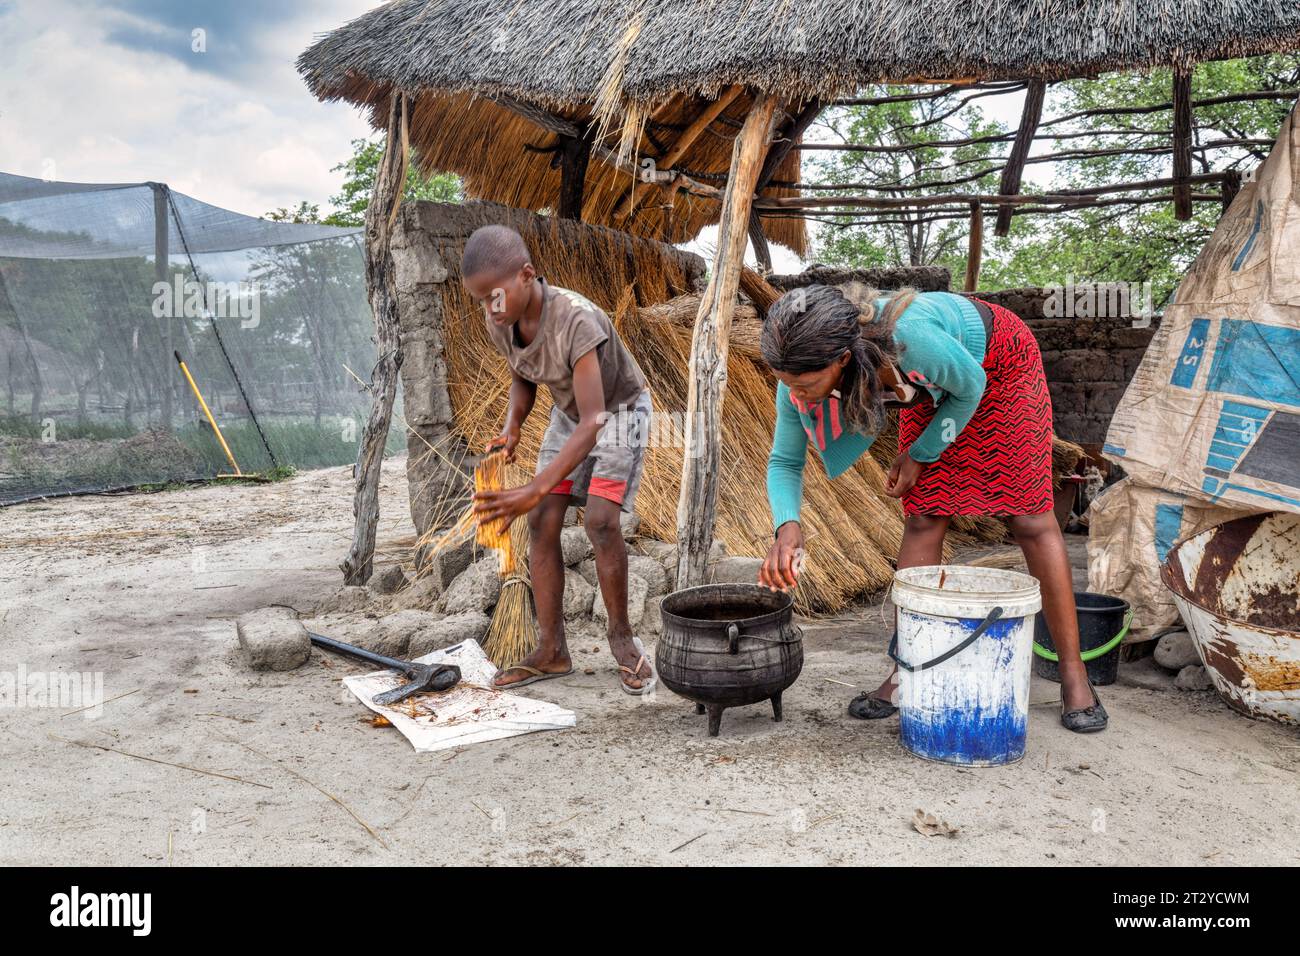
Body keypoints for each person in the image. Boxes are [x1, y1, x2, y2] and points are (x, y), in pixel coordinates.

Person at [757, 283, 1107, 733]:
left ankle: (1074, 675)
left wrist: (921, 452)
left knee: (1029, 518)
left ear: (843, 359)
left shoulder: (912, 341)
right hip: (932, 388)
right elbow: (785, 459)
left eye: (804, 384)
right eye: (786, 383)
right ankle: (908, 668)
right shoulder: (797, 381)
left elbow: (970, 385)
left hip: (998, 369)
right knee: (923, 513)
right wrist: (787, 527)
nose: (796, 395)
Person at [463, 225, 656, 694]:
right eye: (481, 300)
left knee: (601, 521)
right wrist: (513, 426)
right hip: (570, 414)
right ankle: (552, 650)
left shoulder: (577, 320)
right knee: (542, 522)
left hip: (617, 413)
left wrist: (533, 487)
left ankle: (623, 640)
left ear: (527, 275)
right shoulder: (501, 319)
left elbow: (596, 419)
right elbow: (523, 374)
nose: (491, 307)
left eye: (495, 295)